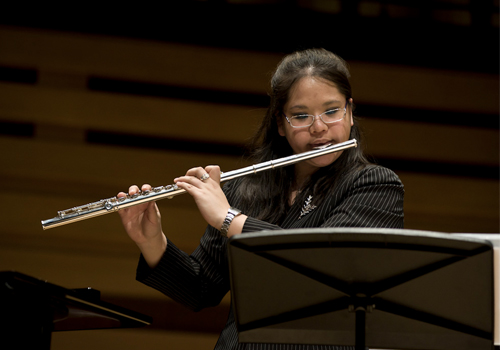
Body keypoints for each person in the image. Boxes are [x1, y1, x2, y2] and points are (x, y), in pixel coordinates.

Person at [117, 48, 405, 350]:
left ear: (349, 110)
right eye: (301, 115)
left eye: (331, 111)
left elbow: (323, 269)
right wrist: (151, 240)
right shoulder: (244, 191)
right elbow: (199, 290)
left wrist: (229, 219)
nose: (318, 127)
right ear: (280, 123)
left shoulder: (374, 185)